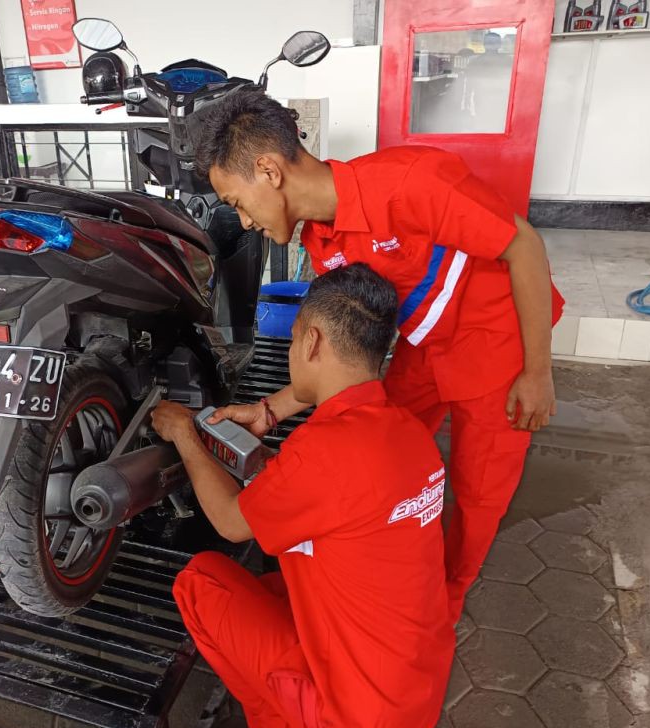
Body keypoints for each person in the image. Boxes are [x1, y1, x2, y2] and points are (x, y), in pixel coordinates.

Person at [197, 88, 564, 623]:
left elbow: (524, 245)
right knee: (370, 447)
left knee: (479, 494)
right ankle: (371, 559)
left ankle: (443, 604)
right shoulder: (322, 242)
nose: (246, 222)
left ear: (269, 171)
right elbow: (339, 360)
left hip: (497, 346)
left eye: (237, 203)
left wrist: (537, 372)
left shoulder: (411, 183)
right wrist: (270, 410)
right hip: (425, 345)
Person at [152, 264, 454, 728]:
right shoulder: (411, 434)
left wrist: (185, 434)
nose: (292, 352)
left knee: (201, 582)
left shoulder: (325, 451)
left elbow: (232, 523)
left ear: (312, 341)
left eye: (292, 340)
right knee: (284, 581)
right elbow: (324, 489)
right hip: (416, 695)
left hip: (354, 722)